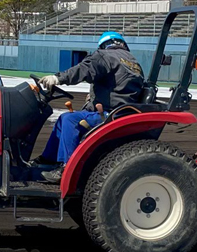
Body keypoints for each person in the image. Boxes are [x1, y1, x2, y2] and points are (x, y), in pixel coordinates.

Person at [35, 31, 145, 183]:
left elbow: (85, 69)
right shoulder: (133, 62)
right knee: (62, 119)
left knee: (69, 120)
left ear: (104, 45)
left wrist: (58, 78)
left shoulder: (105, 56)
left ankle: (67, 169)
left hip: (108, 115)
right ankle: (47, 159)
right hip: (121, 112)